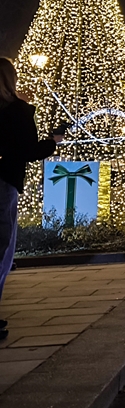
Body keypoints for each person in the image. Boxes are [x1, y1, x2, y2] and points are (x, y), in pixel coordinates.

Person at [0, 57, 60, 341]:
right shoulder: (18, 111)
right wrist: (53, 141)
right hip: (4, 182)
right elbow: (28, 151)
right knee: (3, 248)